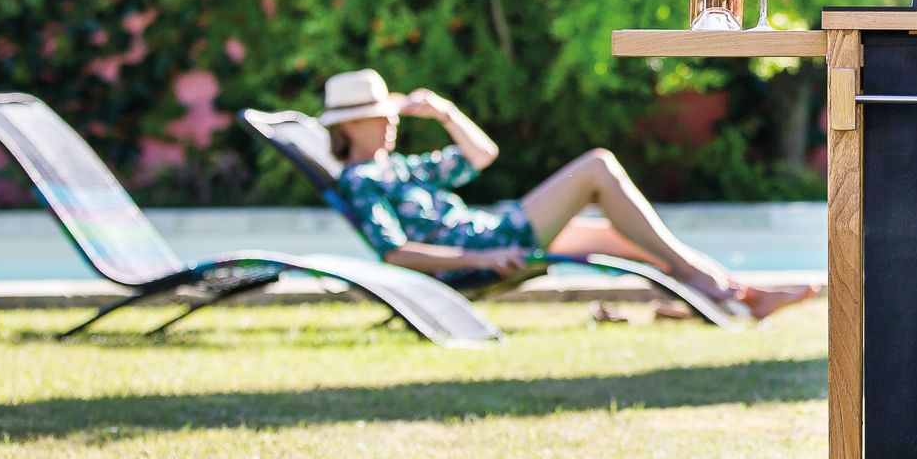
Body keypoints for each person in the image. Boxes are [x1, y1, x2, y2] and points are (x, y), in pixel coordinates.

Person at [317, 69, 815, 321]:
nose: (392, 121)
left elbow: (481, 154)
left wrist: (446, 113)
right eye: (379, 116)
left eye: (392, 112)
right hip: (488, 245)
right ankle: (718, 288)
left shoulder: (400, 167)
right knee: (598, 166)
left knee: (625, 237)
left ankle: (740, 293)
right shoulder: (362, 183)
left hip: (494, 232)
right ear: (350, 126)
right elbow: (395, 252)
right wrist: (486, 257)